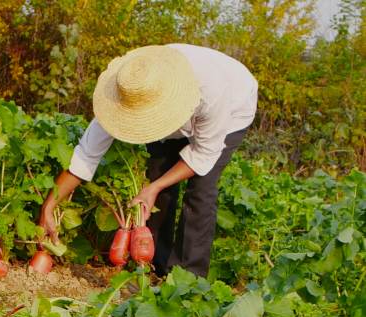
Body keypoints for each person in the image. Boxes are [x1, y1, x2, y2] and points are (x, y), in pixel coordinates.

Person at [38, 44, 258, 278]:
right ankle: (155, 269)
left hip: (232, 109)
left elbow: (203, 154)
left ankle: (188, 279)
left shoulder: (212, 91)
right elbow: (85, 157)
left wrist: (156, 186)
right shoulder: (124, 92)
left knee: (201, 190)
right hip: (183, 108)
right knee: (155, 180)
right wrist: (49, 205)